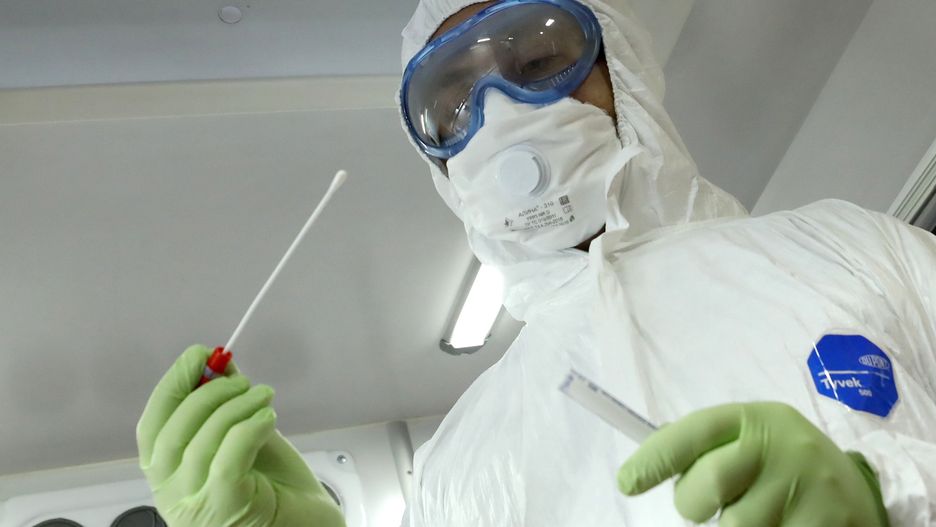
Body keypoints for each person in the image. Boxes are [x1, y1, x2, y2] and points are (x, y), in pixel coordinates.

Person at [137, 0, 936, 525]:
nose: (501, 117)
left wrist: (887, 498)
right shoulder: (459, 466)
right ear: (440, 166)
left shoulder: (851, 249)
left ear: (619, 68)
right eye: (453, 103)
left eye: (536, 60)